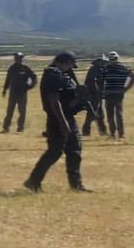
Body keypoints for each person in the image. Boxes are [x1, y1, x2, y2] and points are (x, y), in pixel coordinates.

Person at [25, 51, 93, 193]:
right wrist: (63, 122)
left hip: (67, 117)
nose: (70, 68)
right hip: (58, 119)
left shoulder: (61, 75)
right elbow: (54, 101)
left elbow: (65, 100)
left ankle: (76, 185)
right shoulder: (52, 75)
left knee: (74, 151)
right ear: (66, 62)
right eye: (70, 65)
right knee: (55, 152)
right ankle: (33, 181)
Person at [100, 51, 134, 139]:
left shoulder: (106, 68)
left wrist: (101, 90)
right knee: (117, 115)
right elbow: (133, 76)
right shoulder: (123, 68)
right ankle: (118, 134)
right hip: (117, 94)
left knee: (112, 115)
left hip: (111, 94)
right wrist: (125, 88)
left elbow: (100, 80)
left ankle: (115, 133)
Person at [1, 52, 37, 133]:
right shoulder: (11, 68)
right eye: (18, 58)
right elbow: (7, 80)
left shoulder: (25, 68)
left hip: (22, 94)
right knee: (9, 112)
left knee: (22, 112)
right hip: (13, 93)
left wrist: (29, 86)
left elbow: (34, 77)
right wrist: (4, 90)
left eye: (20, 58)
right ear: (15, 59)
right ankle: (5, 128)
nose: (19, 59)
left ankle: (20, 128)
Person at [81, 55, 108, 137]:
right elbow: (94, 83)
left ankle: (102, 130)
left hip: (96, 95)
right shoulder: (94, 70)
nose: (105, 63)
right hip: (94, 95)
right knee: (92, 113)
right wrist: (98, 92)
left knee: (99, 113)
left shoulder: (97, 69)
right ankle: (86, 131)